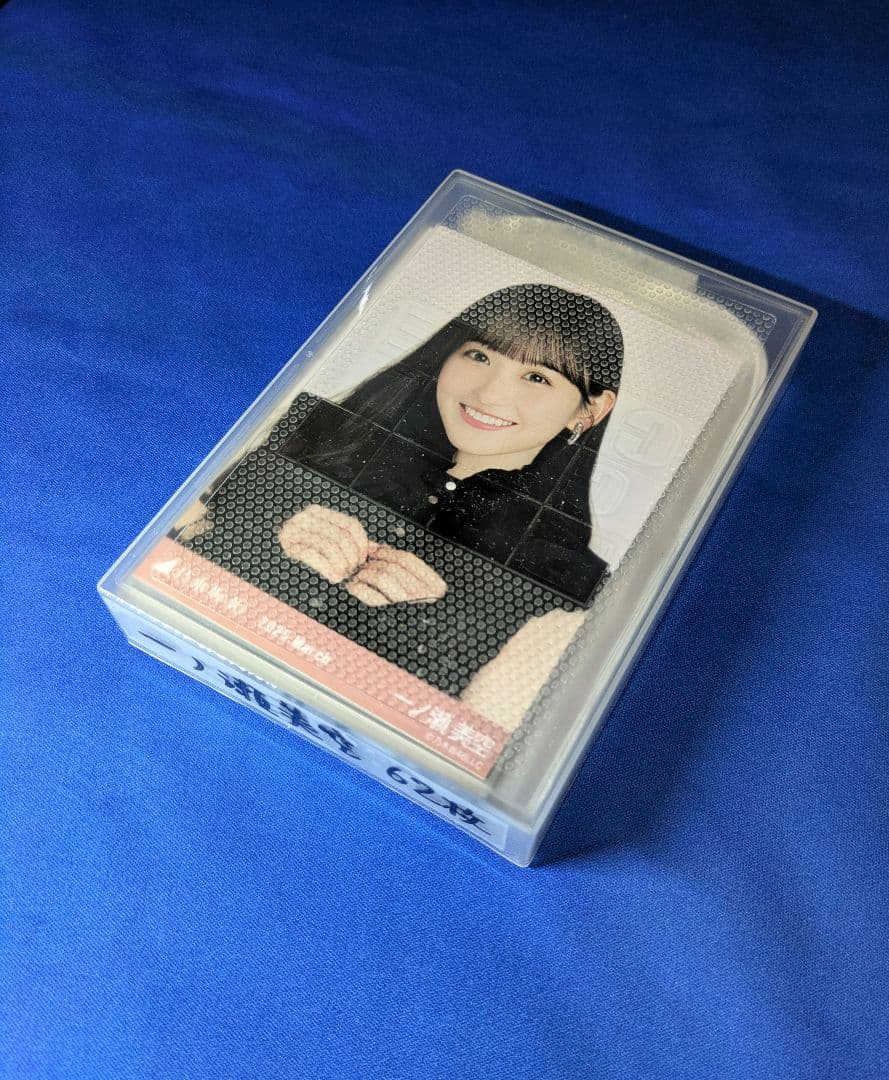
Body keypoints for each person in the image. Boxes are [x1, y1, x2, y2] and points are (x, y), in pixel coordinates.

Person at [275, 283, 623, 608]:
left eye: (537, 378)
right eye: (479, 357)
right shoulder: (317, 432)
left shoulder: (570, 580)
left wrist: (441, 617)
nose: (489, 394)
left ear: (592, 409)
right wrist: (276, 529)